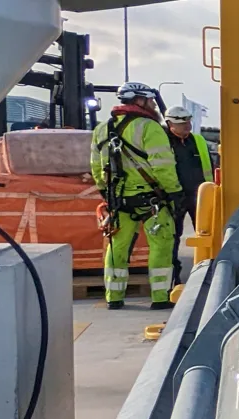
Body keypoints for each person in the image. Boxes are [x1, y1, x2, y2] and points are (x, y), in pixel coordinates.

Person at [90, 82, 181, 309]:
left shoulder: (102, 129)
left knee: (117, 248)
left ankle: (114, 298)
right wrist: (174, 192)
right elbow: (163, 167)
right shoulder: (150, 128)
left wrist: (105, 192)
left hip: (118, 200)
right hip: (152, 199)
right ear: (139, 100)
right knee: (161, 245)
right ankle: (160, 298)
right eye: (150, 101)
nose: (153, 105)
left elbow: (95, 166)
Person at [163, 106, 212, 284]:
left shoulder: (197, 141)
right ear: (170, 124)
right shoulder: (162, 142)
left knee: (206, 235)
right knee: (171, 238)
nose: (187, 126)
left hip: (199, 197)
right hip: (172, 197)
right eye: (182, 123)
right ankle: (172, 277)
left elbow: (210, 169)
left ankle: (207, 272)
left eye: (188, 122)